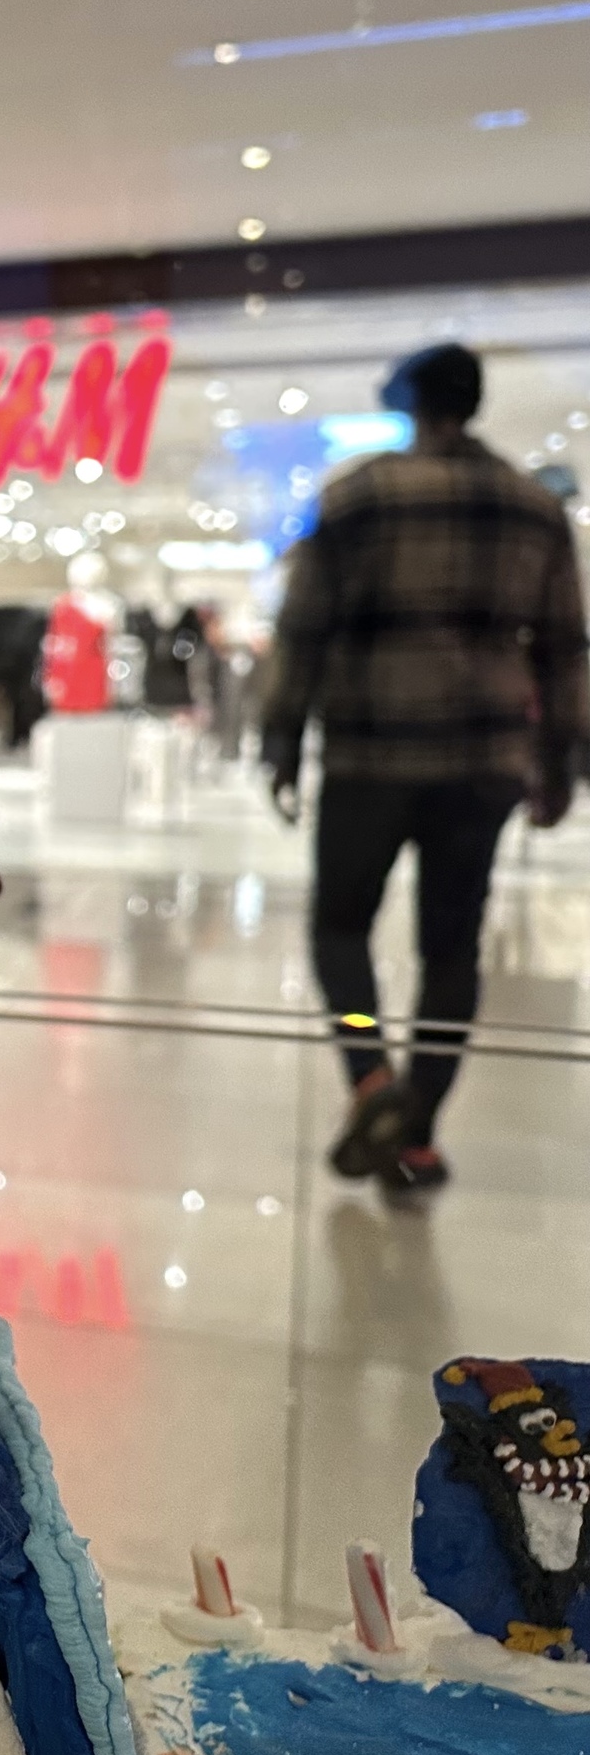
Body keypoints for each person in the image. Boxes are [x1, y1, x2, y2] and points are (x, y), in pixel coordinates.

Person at [262, 343, 586, 1192]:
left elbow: (302, 632)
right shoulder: (532, 507)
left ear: (405, 403)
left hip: (371, 750)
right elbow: (564, 650)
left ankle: (370, 1071)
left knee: (342, 929)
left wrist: (281, 738)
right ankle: (420, 1130)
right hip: (483, 762)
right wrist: (562, 762)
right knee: (452, 948)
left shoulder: (356, 498)